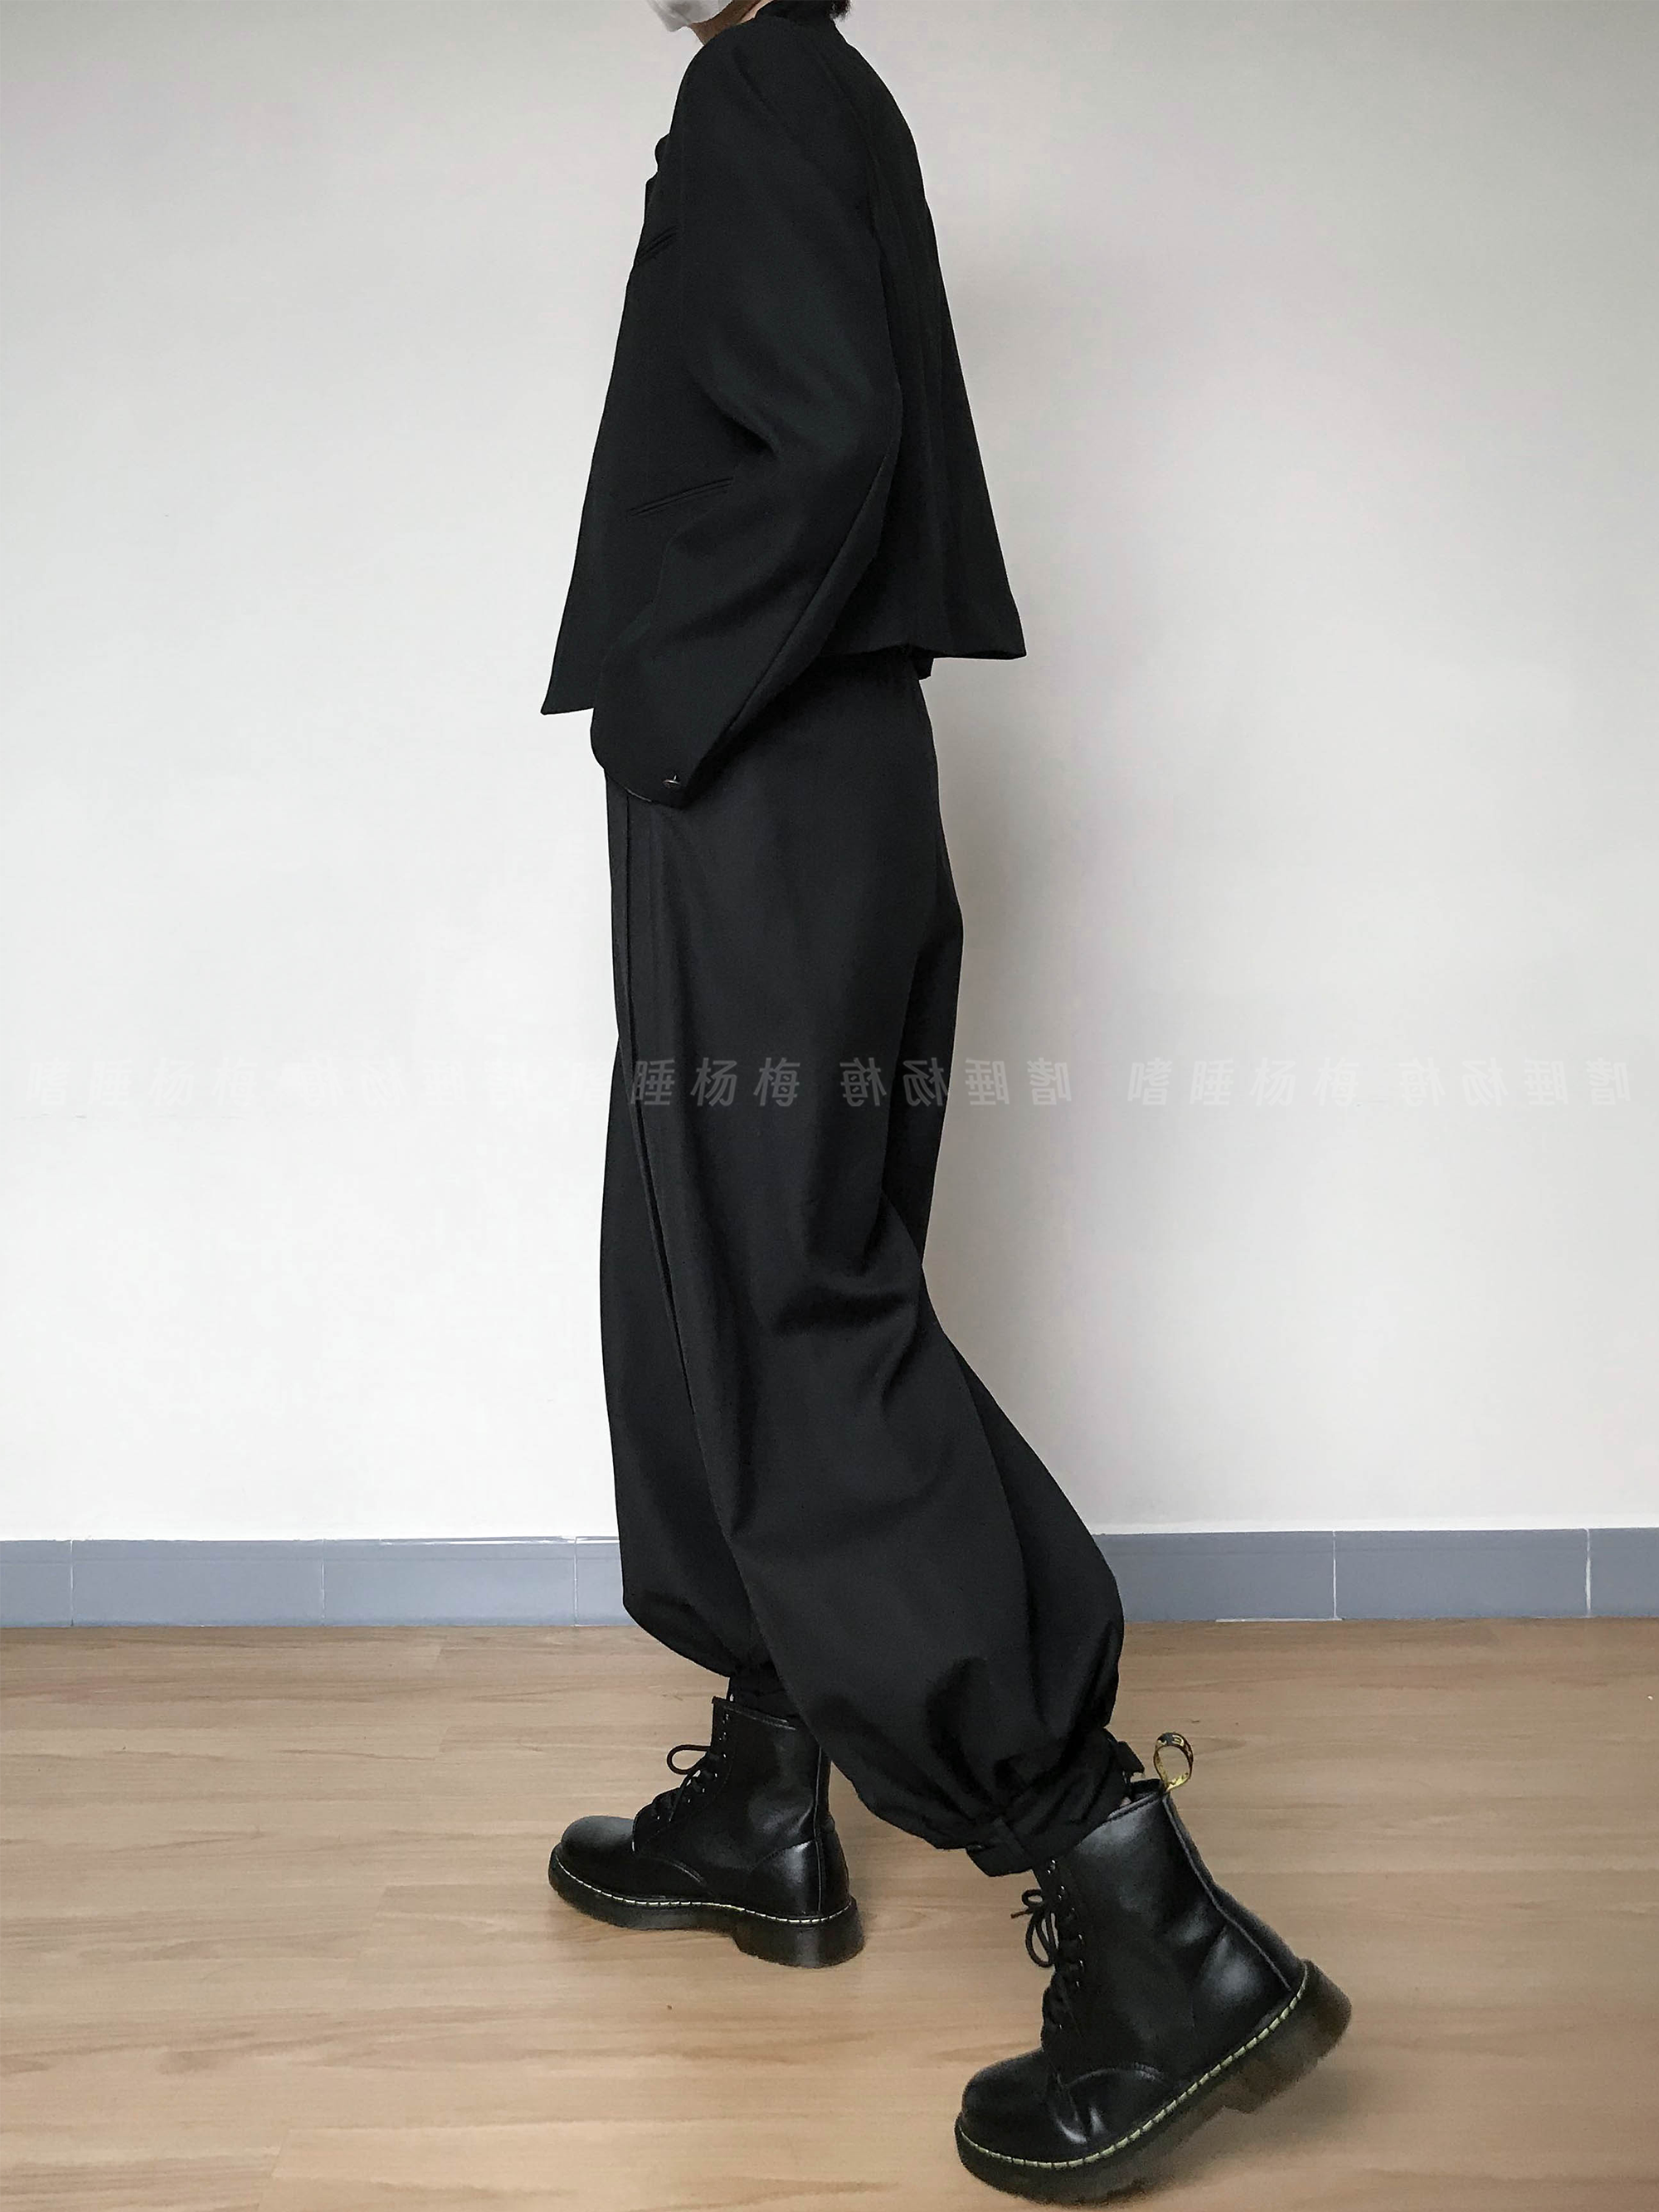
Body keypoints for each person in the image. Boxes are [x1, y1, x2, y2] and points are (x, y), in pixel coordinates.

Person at [538, 0, 1350, 2195]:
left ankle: (1140, 1900)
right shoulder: (813, 89)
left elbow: (828, 431)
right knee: (706, 1279)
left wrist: (662, 708)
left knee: (785, 1309)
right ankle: (764, 1792)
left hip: (767, 780)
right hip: (817, 778)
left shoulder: (760, 82)